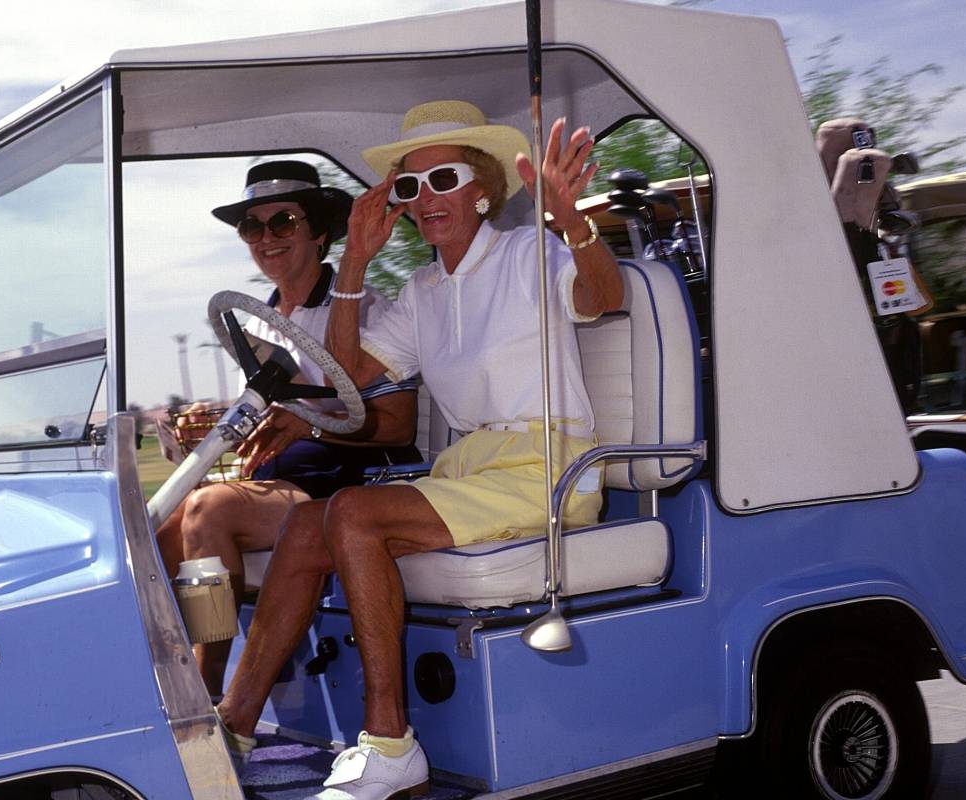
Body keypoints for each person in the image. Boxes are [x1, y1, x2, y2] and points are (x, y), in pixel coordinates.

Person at [214, 101, 626, 799]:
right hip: (472, 466)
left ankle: (389, 741)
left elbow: (602, 294)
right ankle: (234, 727)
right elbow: (347, 375)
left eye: (445, 180)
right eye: (410, 187)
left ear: (484, 188)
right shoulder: (422, 290)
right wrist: (354, 266)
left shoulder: (531, 251)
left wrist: (575, 223)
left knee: (349, 512)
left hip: (549, 469)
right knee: (310, 523)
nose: (426, 199)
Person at [153, 160, 422, 699]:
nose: (266, 238)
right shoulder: (257, 324)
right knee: (157, 528)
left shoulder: (364, 311)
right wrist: (209, 423)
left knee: (209, 510)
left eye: (283, 222)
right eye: (253, 228)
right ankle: (169, 673)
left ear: (319, 232)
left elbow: (397, 427)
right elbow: (274, 417)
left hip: (353, 481)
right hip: (288, 482)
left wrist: (309, 429)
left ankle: (207, 693)